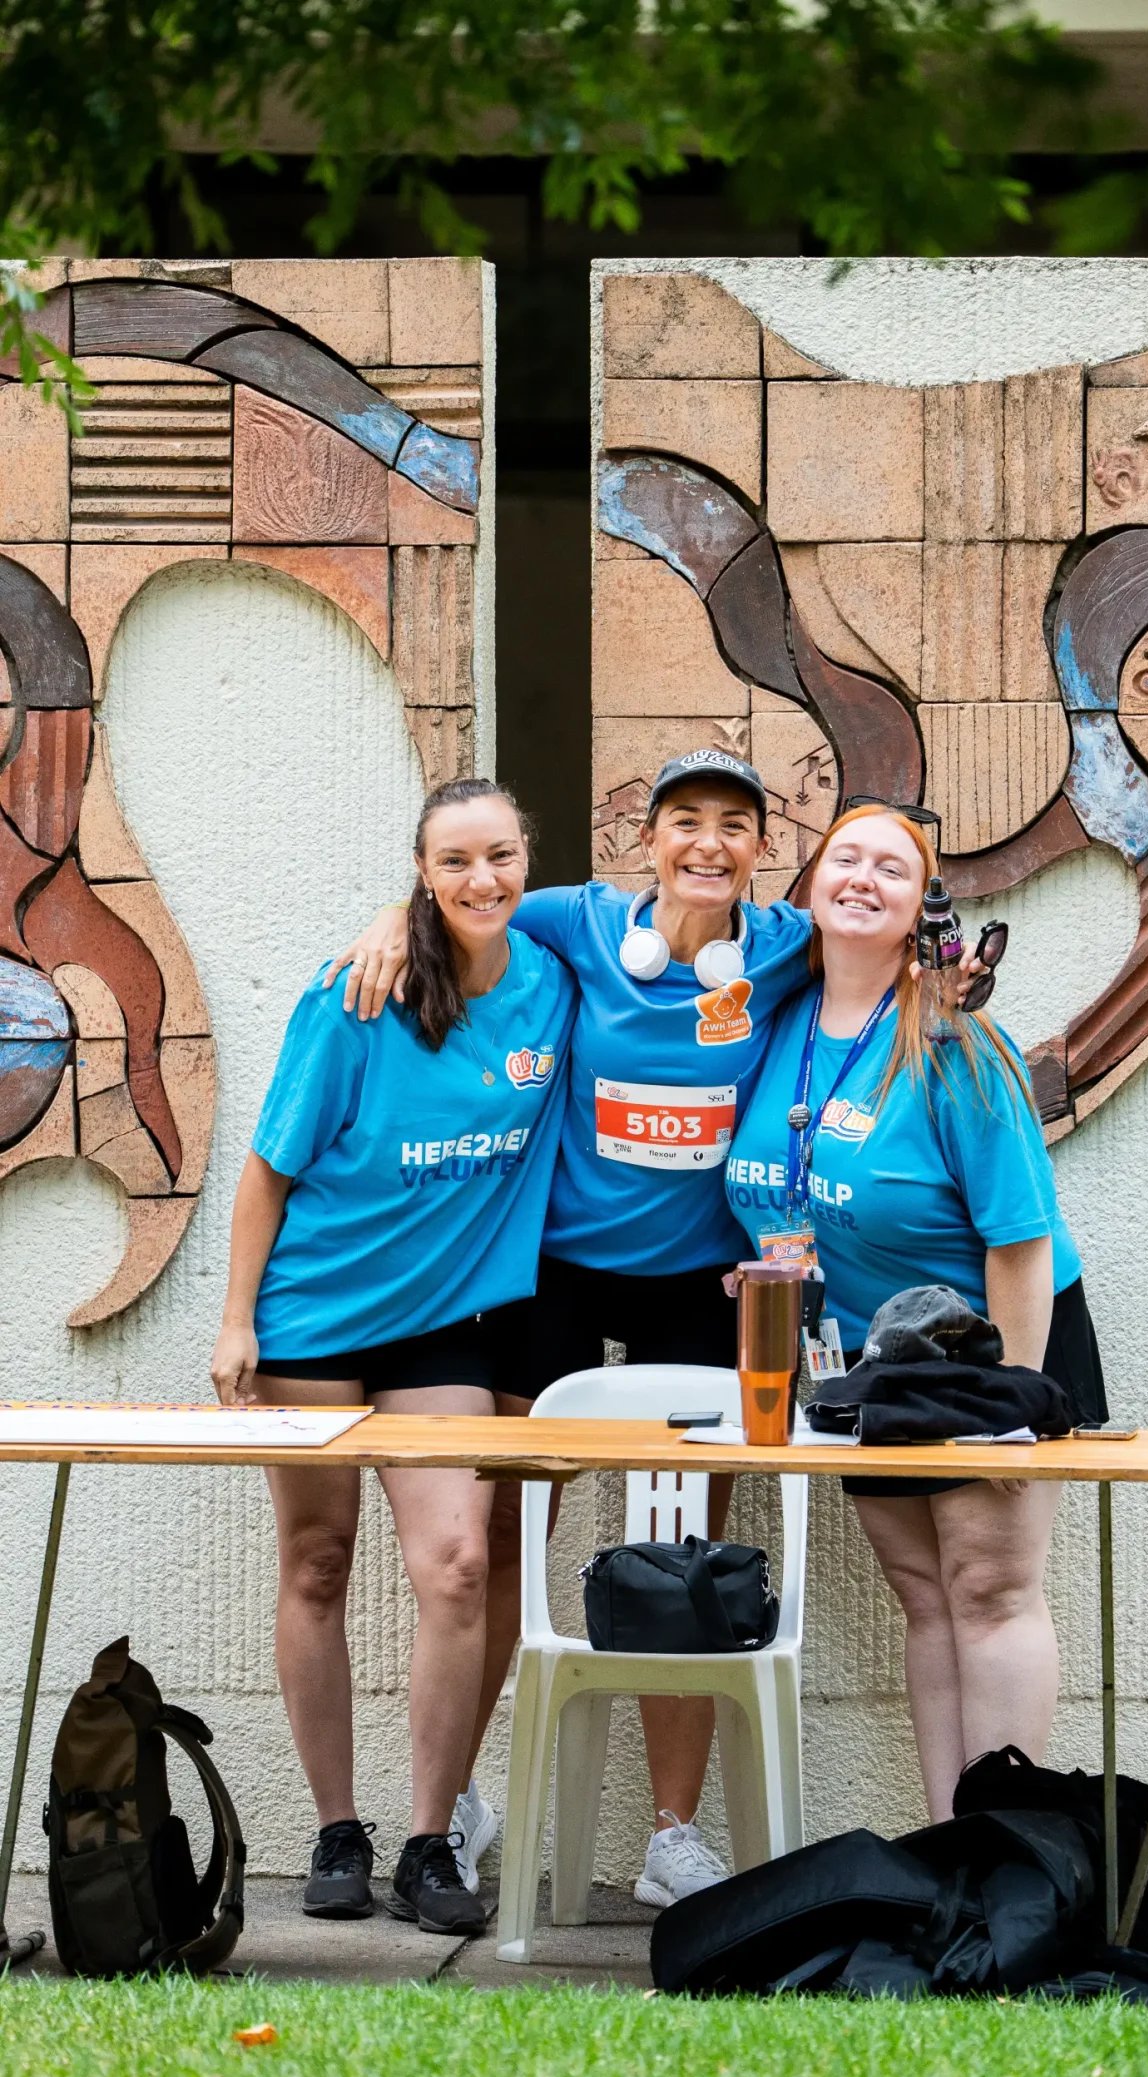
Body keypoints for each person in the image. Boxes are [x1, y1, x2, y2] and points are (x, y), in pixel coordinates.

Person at [333, 753, 988, 1903]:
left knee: (683, 1549)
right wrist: (394, 914)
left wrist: (951, 983)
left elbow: (887, 951)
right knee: (505, 1534)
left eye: (734, 825)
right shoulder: (582, 922)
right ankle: (456, 1809)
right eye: (685, 820)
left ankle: (671, 1837)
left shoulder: (783, 945)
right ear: (648, 840)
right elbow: (471, 899)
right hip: (557, 1276)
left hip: (699, 1286)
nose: (708, 843)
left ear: (760, 852)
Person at [210, 778, 576, 1935]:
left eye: (500, 855)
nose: (481, 879)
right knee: (317, 1561)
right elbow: (267, 1170)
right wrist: (236, 1321)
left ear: (528, 860)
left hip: (441, 1322)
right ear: (420, 871)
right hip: (312, 1316)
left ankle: (428, 1841)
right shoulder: (356, 994)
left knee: (458, 1563)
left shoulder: (556, 986)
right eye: (454, 860)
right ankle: (335, 1830)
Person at [724, 801, 1106, 1826]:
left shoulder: (953, 1039)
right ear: (810, 885)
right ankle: (952, 1847)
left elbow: (1019, 1237)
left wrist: (1014, 1400)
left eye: (890, 868)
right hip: (866, 1356)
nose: (861, 877)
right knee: (924, 1593)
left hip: (997, 1343)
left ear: (919, 908)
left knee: (989, 1588)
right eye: (843, 857)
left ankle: (1008, 1858)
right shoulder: (773, 1022)